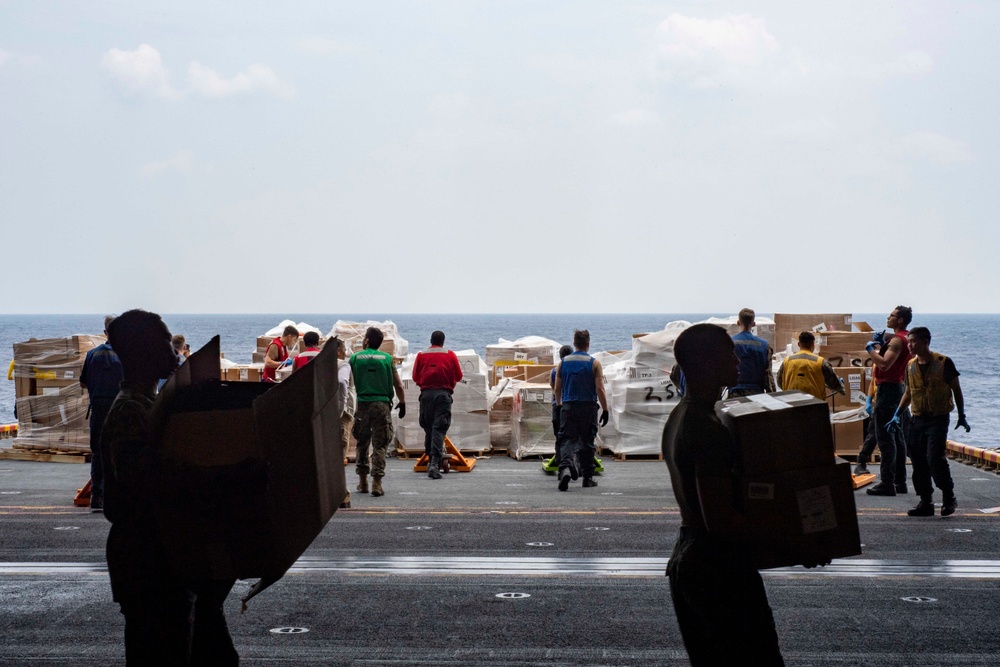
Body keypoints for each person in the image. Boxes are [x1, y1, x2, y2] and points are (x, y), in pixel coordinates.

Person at [103, 309, 238, 666]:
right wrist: (228, 479)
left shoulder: (151, 406)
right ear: (142, 350)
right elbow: (153, 484)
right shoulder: (133, 411)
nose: (173, 349)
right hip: (149, 562)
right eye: (164, 340)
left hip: (165, 557)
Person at [662, 323, 786, 666]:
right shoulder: (705, 427)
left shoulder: (681, 415)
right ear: (704, 362)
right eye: (728, 353)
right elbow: (719, 520)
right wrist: (791, 537)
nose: (737, 361)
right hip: (716, 570)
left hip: (690, 557)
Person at [888, 327, 969, 517]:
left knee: (935, 458)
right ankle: (926, 501)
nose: (909, 345)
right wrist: (897, 414)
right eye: (908, 341)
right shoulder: (910, 366)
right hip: (917, 419)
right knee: (918, 460)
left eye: (913, 341)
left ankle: (949, 497)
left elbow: (956, 389)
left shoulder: (944, 362)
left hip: (938, 419)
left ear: (925, 341)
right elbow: (908, 393)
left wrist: (962, 415)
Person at [349, 327, 405, 498]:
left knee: (362, 442)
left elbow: (347, 380)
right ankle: (377, 483)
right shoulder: (387, 359)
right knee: (380, 444)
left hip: (363, 404)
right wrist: (402, 403)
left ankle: (363, 481)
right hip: (382, 405)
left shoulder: (355, 358)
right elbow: (399, 385)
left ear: (366, 340)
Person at [553, 330, 609, 491]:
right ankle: (587, 477)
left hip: (568, 406)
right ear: (588, 344)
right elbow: (600, 388)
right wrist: (605, 409)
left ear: (574, 343)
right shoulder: (594, 363)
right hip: (588, 407)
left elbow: (557, 388)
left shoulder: (563, 363)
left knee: (567, 439)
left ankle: (564, 468)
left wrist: (559, 406)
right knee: (587, 441)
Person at [865, 306, 913, 497]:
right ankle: (899, 482)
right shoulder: (906, 338)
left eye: (892, 316)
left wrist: (870, 350)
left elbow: (884, 364)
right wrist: (881, 344)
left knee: (886, 439)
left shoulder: (896, 341)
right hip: (899, 388)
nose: (888, 317)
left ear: (900, 320)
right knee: (898, 438)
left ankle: (887, 483)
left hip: (888, 390)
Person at [79, 315, 125, 512]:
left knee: (98, 453)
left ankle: (97, 497)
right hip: (121, 410)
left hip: (98, 409)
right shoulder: (127, 355)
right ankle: (119, 496)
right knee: (121, 452)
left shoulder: (91, 354)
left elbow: (83, 382)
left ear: (105, 333)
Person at [412, 331, 464, 480]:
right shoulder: (450, 355)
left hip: (426, 395)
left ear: (431, 340)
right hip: (443, 395)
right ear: (443, 341)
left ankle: (430, 458)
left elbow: (415, 377)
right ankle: (434, 463)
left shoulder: (421, 355)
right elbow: (459, 376)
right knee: (439, 428)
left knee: (428, 428)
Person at [776, 331, 846, 401]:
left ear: (798, 344)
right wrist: (841, 388)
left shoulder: (787, 360)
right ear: (812, 344)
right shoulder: (820, 362)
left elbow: (779, 381)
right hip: (814, 405)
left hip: (792, 404)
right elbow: (833, 382)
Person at [727, 308, 776, 397]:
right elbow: (768, 375)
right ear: (753, 324)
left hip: (735, 394)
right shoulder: (764, 345)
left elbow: (721, 371)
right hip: (757, 395)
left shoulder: (728, 343)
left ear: (738, 322)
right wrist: (772, 397)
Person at [550, 345, 574, 463]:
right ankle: (571, 459)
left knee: (559, 434)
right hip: (570, 404)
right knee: (572, 434)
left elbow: (554, 388)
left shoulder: (554, 371)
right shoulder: (573, 370)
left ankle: (559, 459)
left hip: (557, 404)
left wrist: (558, 402)